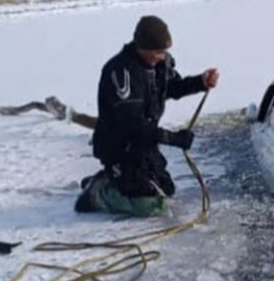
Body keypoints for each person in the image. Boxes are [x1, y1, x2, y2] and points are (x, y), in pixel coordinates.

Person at [75, 15, 219, 216]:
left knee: (165, 190)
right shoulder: (120, 72)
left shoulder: (159, 64)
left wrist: (201, 82)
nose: (162, 57)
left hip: (144, 144)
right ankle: (98, 193)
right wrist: (171, 138)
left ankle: (112, 178)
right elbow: (132, 124)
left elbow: (171, 88)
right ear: (141, 47)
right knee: (148, 206)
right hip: (119, 146)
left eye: (164, 52)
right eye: (157, 52)